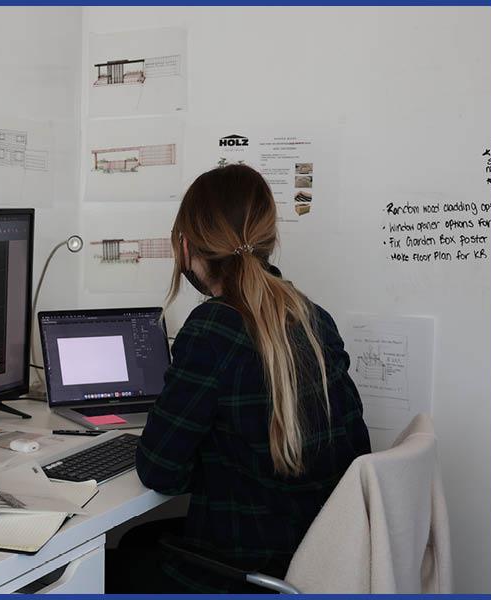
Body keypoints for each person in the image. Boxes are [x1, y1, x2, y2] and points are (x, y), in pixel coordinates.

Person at [106, 164, 371, 593]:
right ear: (268, 239)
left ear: (187, 247)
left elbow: (160, 472)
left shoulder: (212, 328)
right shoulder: (312, 317)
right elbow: (355, 448)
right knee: (137, 541)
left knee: (106, 567)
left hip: (248, 571)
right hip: (316, 556)